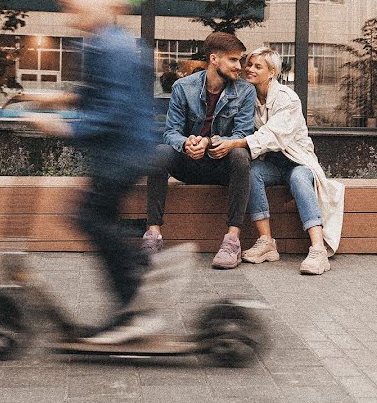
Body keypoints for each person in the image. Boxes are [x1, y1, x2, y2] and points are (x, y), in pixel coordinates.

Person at [27, 0, 165, 344]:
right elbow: (97, 95)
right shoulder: (101, 42)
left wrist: (65, 124)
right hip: (122, 152)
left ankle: (134, 302)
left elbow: (113, 111)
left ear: (111, 1)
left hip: (125, 154)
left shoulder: (113, 47)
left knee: (88, 217)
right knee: (96, 218)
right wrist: (58, 98)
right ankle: (135, 276)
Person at [220, 47, 344, 274]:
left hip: (297, 161)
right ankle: (267, 242)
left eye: (258, 66)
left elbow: (273, 136)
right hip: (272, 164)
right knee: (252, 172)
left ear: (272, 72)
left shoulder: (288, 99)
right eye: (249, 65)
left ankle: (317, 249)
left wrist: (234, 144)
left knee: (298, 178)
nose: (250, 69)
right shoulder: (249, 97)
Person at [143, 32, 256, 269]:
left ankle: (232, 241)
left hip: (221, 164)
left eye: (240, 60)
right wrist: (186, 143)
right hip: (189, 163)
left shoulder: (245, 91)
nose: (240, 67)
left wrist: (212, 142)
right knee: (159, 152)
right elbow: (171, 131)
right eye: (234, 60)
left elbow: (242, 135)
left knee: (240, 154)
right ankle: (153, 235)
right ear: (214, 59)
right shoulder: (183, 88)